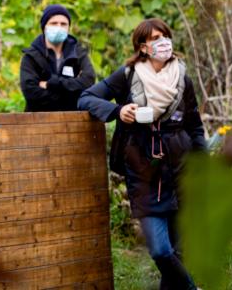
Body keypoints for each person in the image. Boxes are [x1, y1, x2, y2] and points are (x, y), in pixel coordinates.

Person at [78, 18, 206, 290]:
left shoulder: (182, 78)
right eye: (155, 38)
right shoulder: (127, 75)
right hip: (144, 173)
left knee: (179, 250)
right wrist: (118, 112)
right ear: (143, 47)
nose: (163, 42)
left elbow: (195, 125)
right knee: (161, 250)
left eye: (166, 36)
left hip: (182, 171)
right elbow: (86, 98)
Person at [20, 4, 95, 111]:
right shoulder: (31, 56)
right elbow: (31, 93)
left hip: (73, 121)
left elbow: (88, 83)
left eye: (63, 24)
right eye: (54, 23)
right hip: (38, 122)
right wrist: (71, 92)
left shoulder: (78, 54)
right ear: (44, 26)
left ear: (69, 28)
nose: (59, 27)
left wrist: (51, 84)